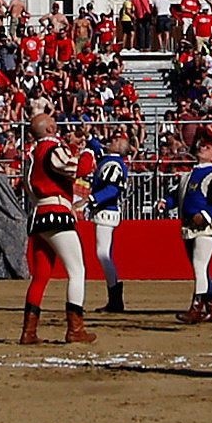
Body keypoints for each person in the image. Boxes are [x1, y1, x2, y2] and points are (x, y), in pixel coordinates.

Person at [16, 100, 96, 349]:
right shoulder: (51, 148)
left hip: (38, 212)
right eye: (53, 123)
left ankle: (29, 331)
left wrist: (73, 145)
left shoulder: (31, 155)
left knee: (40, 276)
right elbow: (76, 168)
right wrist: (88, 149)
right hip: (57, 211)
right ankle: (75, 328)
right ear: (49, 130)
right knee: (77, 270)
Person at [173, 129, 212, 325]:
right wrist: (163, 202)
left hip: (207, 226)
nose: (202, 147)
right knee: (200, 267)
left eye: (208, 147)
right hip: (189, 226)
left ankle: (196, 307)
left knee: (199, 266)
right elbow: (175, 196)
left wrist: (207, 215)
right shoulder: (188, 176)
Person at [89, 131, 131, 314]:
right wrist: (89, 137)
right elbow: (98, 148)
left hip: (106, 210)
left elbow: (112, 190)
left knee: (102, 253)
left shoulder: (113, 164)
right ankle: (114, 297)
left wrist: (90, 199)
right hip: (105, 209)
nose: (111, 140)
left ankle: (115, 298)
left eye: (116, 140)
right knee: (103, 253)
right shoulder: (111, 161)